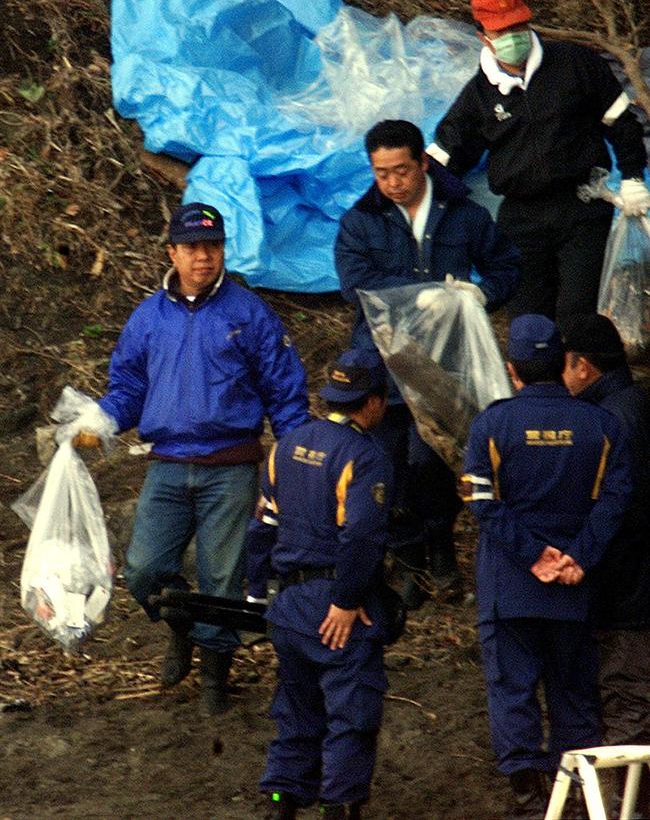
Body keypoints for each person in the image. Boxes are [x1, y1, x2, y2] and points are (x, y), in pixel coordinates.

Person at [72, 202, 310, 715]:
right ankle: (181, 627)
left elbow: (285, 394)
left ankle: (213, 681)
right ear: (172, 253)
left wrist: (293, 467)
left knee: (223, 579)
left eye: (213, 246)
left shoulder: (249, 314)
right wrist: (100, 422)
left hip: (231, 465)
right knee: (142, 570)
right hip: (167, 464)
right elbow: (128, 387)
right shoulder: (148, 317)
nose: (204, 257)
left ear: (223, 250)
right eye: (193, 248)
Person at [335, 118, 521, 606]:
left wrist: (480, 294)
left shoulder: (463, 214)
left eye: (402, 171)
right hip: (387, 363)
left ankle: (440, 548)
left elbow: (507, 266)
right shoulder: (361, 220)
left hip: (444, 364)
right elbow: (355, 283)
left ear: (423, 163)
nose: (393, 183)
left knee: (433, 459)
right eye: (381, 173)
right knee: (385, 461)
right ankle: (406, 558)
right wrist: (419, 297)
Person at [461, 314, 632, 819]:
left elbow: (481, 500)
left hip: (510, 587)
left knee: (512, 692)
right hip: (574, 589)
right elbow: (616, 500)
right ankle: (580, 799)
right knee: (575, 694)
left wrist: (533, 555)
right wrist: (579, 554)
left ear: (512, 369)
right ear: (563, 363)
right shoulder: (602, 425)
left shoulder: (491, 423)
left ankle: (528, 797)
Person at [429, 0, 650, 326]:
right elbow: (448, 155)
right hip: (522, 215)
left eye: (517, 26)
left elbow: (621, 122)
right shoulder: (480, 95)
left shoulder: (577, 64)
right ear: (483, 36)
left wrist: (634, 176)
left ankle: (588, 371)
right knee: (528, 321)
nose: (513, 37)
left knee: (578, 313)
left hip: (581, 205)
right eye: (502, 31)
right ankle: (539, 377)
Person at [247, 349, 393, 820]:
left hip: (288, 605)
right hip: (333, 606)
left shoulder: (287, 444)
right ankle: (340, 807)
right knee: (351, 715)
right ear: (371, 402)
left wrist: (257, 594)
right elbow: (361, 535)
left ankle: (280, 802)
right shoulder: (365, 456)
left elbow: (263, 525)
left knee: (295, 711)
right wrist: (347, 601)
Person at [562, 313, 650, 816]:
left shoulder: (617, 417)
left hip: (630, 595)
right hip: (629, 586)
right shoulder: (627, 404)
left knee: (629, 703)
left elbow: (625, 511)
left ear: (584, 367)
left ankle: (627, 809)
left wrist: (586, 564)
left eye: (565, 366)